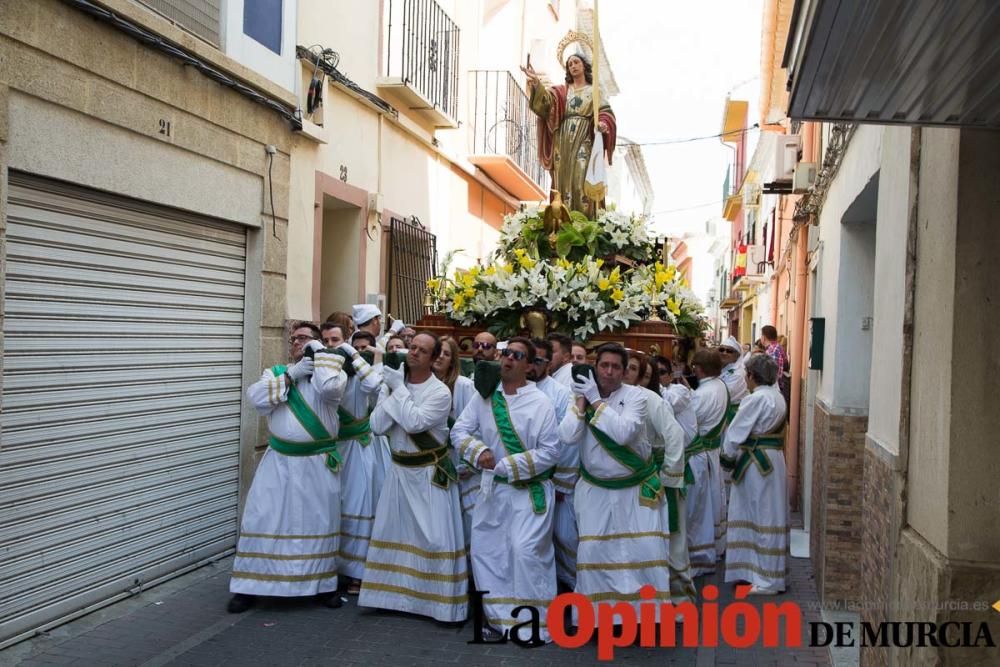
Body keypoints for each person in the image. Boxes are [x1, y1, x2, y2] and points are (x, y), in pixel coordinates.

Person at [228, 322, 348, 613]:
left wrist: (320, 359)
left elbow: (332, 392)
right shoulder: (278, 373)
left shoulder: (332, 373)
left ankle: (321, 585)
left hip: (316, 464)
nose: (297, 343)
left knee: (317, 523)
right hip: (279, 464)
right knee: (263, 519)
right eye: (294, 339)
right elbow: (256, 398)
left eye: (304, 339)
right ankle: (249, 587)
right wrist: (292, 376)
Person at [452, 337, 561, 643]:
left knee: (525, 552)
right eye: (506, 353)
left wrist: (505, 466)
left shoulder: (541, 403)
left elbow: (551, 452)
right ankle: (500, 622)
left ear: (529, 365)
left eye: (517, 355)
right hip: (493, 493)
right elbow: (459, 431)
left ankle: (533, 623)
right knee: (490, 554)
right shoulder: (485, 397)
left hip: (528, 493)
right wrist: (478, 451)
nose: (508, 359)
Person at [559, 343, 672, 625]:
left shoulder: (636, 397)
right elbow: (568, 436)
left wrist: (596, 401)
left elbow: (623, 433)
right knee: (595, 552)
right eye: (604, 365)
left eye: (616, 367)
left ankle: (645, 618)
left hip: (634, 490)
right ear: (596, 367)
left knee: (642, 552)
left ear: (624, 371)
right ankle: (597, 619)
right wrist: (582, 402)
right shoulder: (579, 395)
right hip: (595, 491)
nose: (609, 372)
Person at [358, 332, 468, 622]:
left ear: (434, 360)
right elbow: (377, 425)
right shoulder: (394, 384)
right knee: (393, 533)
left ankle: (436, 605)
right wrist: (395, 391)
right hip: (398, 473)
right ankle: (390, 596)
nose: (414, 353)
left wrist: (397, 391)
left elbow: (414, 422)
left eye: (422, 350)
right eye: (413, 347)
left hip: (428, 475)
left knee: (432, 539)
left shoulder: (440, 392)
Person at [623, 351, 694, 609]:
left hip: (659, 480)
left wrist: (668, 476)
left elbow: (674, 436)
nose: (628, 373)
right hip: (631, 483)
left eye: (633, 369)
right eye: (626, 367)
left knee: (672, 539)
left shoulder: (651, 399)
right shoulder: (613, 400)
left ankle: (680, 599)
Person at [321, 322, 381, 596]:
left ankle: (358, 572)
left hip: (358, 448)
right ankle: (333, 566)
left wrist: (353, 356)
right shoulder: (325, 375)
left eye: (337, 340)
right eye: (327, 341)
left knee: (358, 505)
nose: (332, 345)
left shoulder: (360, 375)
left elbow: (374, 383)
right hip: (333, 448)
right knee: (334, 508)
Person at [721, 354, 788, 595]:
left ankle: (765, 579)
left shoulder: (755, 399)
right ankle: (766, 573)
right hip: (773, 461)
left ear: (751, 375)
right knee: (770, 514)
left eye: (746, 375)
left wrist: (726, 460)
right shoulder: (777, 396)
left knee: (757, 514)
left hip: (756, 466)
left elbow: (735, 434)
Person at [522, 50, 616, 218]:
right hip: (563, 142)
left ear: (584, 66)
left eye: (576, 62)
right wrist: (536, 82)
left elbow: (606, 112)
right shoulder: (561, 92)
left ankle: (584, 221)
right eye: (569, 64)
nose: (573, 66)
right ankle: (562, 220)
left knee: (581, 179)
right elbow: (546, 105)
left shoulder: (594, 91)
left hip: (584, 139)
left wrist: (602, 123)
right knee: (562, 182)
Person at [529, 337, 576, 589]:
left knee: (561, 537)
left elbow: (566, 440)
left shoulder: (559, 394)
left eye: (537, 360)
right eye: (528, 359)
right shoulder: (510, 389)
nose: (530, 366)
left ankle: (567, 587)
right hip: (515, 481)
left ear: (548, 364)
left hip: (549, 480)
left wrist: (561, 481)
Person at [686, 349, 730, 575]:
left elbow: (688, 421)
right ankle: (715, 544)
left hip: (699, 454)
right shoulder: (720, 386)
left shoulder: (703, 394)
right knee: (712, 501)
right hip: (711, 451)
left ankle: (699, 553)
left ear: (699, 368)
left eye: (694, 366)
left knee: (699, 508)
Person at [434, 335, 478, 548]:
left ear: (453, 360)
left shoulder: (464, 386)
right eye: (438, 352)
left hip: (459, 457)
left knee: (465, 513)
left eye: (446, 353)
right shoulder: (423, 382)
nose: (441, 357)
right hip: (433, 458)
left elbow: (476, 425)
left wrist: (470, 460)